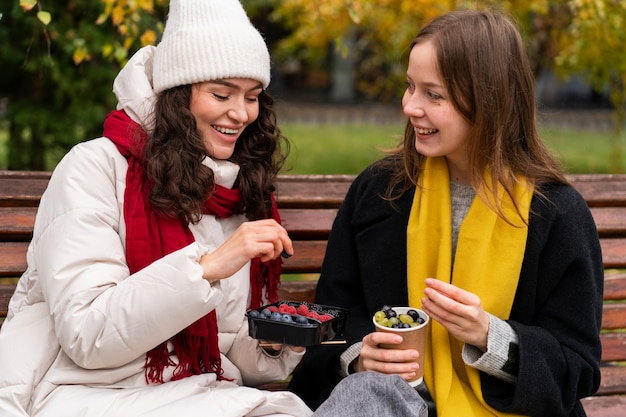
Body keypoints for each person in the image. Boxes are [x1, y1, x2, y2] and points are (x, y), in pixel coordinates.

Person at [0, 1, 314, 416]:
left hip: (203, 391)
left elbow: (226, 352)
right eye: (221, 94)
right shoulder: (94, 168)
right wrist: (206, 268)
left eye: (252, 97)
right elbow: (89, 336)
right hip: (87, 392)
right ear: (177, 96)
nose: (240, 114)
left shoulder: (240, 187)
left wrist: (273, 342)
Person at [290, 8, 603, 417]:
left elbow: (577, 367)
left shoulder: (556, 214)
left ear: (489, 100)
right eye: (410, 87)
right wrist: (359, 358)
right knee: (366, 394)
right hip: (392, 405)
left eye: (433, 95)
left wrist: (489, 336)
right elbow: (330, 322)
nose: (410, 107)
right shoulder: (379, 192)